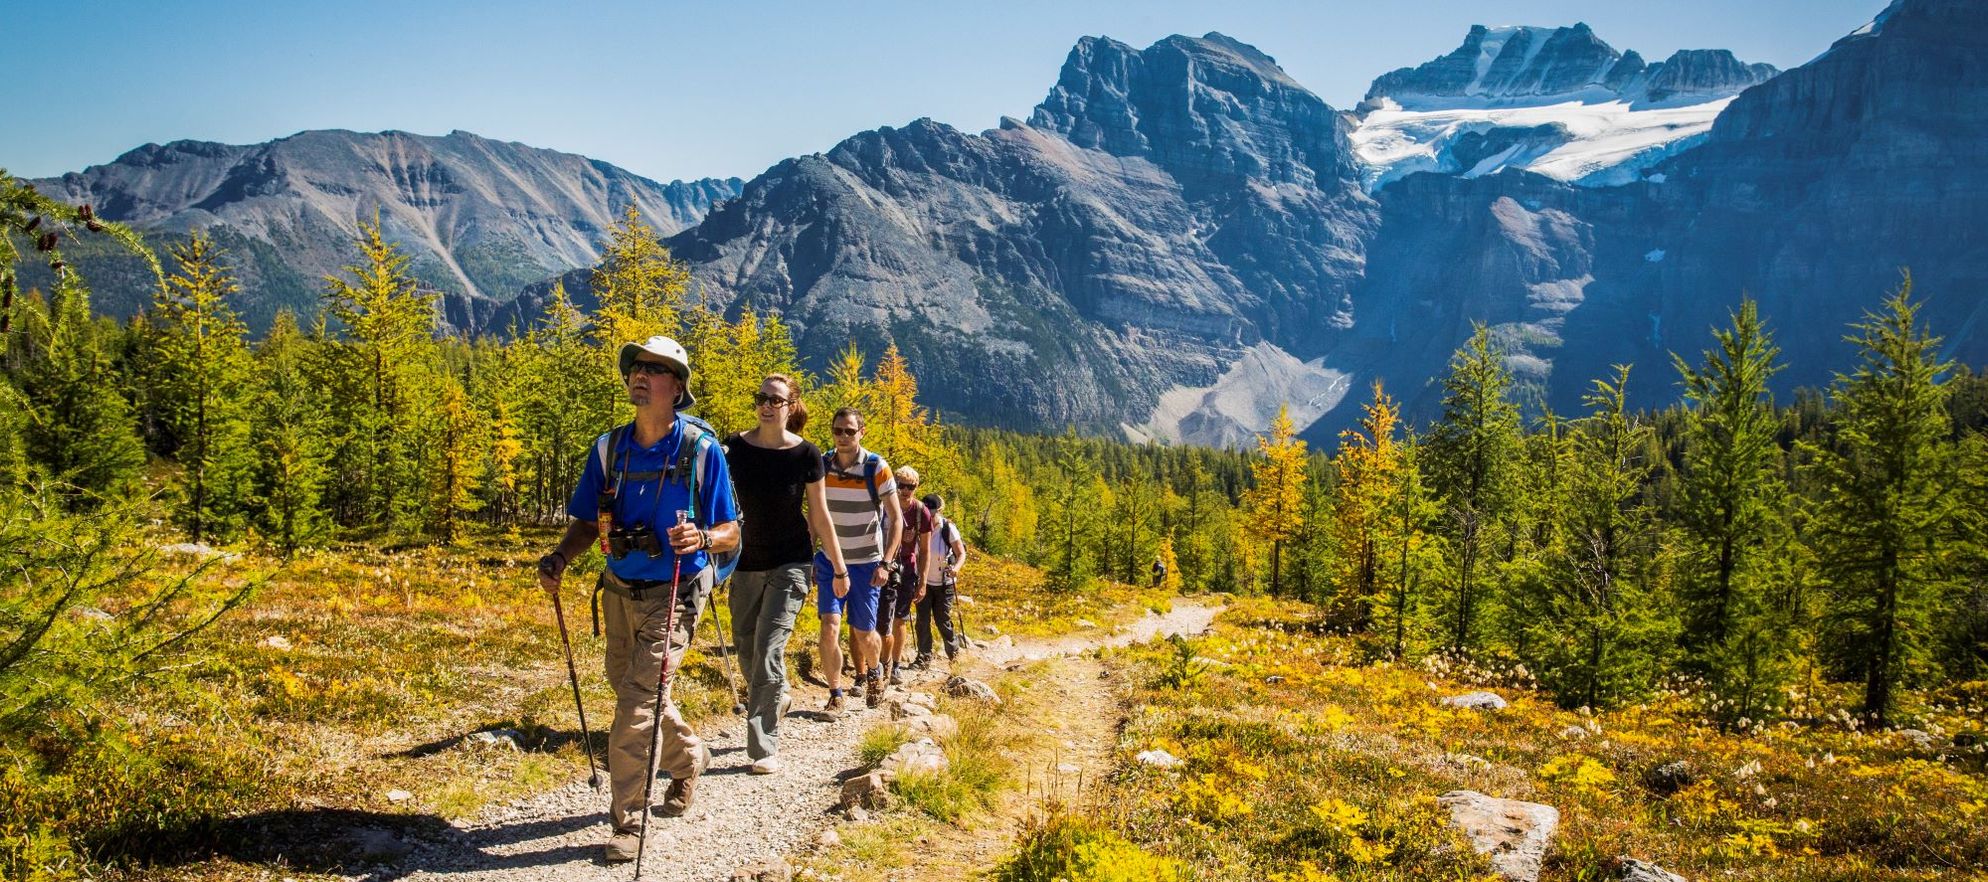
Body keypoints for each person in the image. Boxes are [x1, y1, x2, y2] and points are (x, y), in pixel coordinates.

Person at [537, 336, 741, 863]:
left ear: (676, 387)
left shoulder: (700, 451)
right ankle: (689, 756)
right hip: (619, 589)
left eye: (654, 369)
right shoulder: (609, 448)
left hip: (675, 591)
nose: (639, 374)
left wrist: (702, 538)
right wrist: (560, 557)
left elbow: (732, 531)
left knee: (635, 704)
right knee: (634, 690)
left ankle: (628, 820)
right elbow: (586, 521)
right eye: (635, 367)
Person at [724, 374, 845, 775]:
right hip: (743, 561)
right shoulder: (734, 448)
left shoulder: (807, 455)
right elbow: (715, 502)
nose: (766, 405)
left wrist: (839, 565)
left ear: (791, 406)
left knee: (769, 648)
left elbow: (819, 514)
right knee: (746, 646)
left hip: (792, 562)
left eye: (775, 400)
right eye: (761, 398)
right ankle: (780, 694)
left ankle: (763, 746)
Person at [815, 408, 903, 714]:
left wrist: (886, 564)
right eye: (837, 430)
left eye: (849, 431)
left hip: (866, 563)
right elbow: (815, 512)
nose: (842, 437)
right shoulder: (822, 465)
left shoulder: (876, 467)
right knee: (830, 627)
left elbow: (896, 520)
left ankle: (875, 671)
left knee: (865, 633)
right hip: (829, 559)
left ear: (861, 432)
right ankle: (835, 692)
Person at [880, 466, 932, 684]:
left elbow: (926, 549)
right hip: (882, 566)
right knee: (880, 619)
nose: (904, 490)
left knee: (900, 619)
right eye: (900, 485)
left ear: (916, 488)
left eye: (909, 486)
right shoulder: (883, 506)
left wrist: (923, 582)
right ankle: (879, 662)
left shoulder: (921, 512)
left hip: (907, 570)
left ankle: (895, 665)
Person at [914, 493, 968, 666]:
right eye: (926, 512)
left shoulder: (947, 529)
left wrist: (956, 569)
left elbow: (961, 553)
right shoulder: (919, 528)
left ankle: (954, 654)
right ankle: (924, 657)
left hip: (944, 583)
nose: (929, 515)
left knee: (942, 619)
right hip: (923, 581)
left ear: (939, 511)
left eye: (932, 512)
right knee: (922, 620)